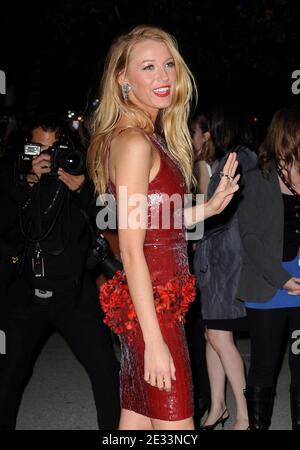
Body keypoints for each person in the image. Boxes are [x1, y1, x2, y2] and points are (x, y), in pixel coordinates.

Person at [87, 25, 240, 430]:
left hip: (151, 306)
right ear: (123, 79)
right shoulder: (135, 143)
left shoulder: (143, 137)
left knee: (136, 422)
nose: (164, 76)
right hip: (153, 310)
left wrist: (207, 208)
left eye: (169, 64)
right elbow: (133, 249)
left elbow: (157, 220)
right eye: (149, 67)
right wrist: (155, 342)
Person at [0, 114, 120, 430]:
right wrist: (26, 185)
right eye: (39, 148)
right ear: (27, 149)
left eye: (54, 148)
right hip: (24, 295)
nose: (48, 156)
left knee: (105, 370)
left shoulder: (81, 174)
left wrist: (82, 190)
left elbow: (112, 218)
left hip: (74, 293)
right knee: (8, 376)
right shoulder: (16, 176)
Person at [193, 104, 257, 429]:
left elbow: (217, 213)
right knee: (212, 335)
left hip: (226, 262)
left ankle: (245, 415)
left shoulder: (237, 161)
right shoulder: (230, 159)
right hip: (218, 261)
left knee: (220, 337)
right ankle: (218, 407)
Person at [237, 104, 300, 430]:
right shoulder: (256, 179)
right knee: (264, 365)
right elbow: (250, 238)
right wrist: (282, 279)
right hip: (268, 283)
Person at [191, 113, 215, 200]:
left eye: (193, 132)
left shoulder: (201, 166)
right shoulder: (196, 164)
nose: (188, 136)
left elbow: (204, 206)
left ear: (205, 137)